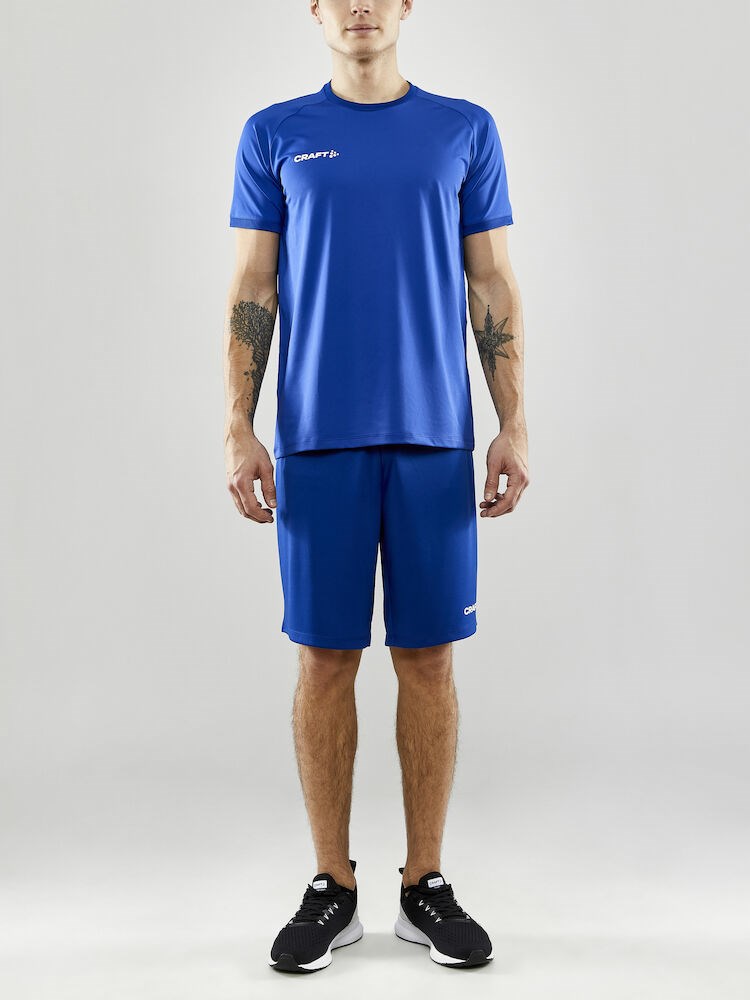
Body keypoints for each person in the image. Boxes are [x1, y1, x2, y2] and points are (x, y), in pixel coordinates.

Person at [223, 0, 529, 974]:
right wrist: (240, 423)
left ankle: (424, 883)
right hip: (318, 439)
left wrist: (512, 420)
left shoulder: (463, 130)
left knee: (429, 660)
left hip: (436, 436)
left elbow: (491, 284)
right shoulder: (275, 133)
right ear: (315, 9)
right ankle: (333, 885)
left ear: (405, 7)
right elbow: (254, 287)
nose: (360, 5)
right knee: (325, 660)